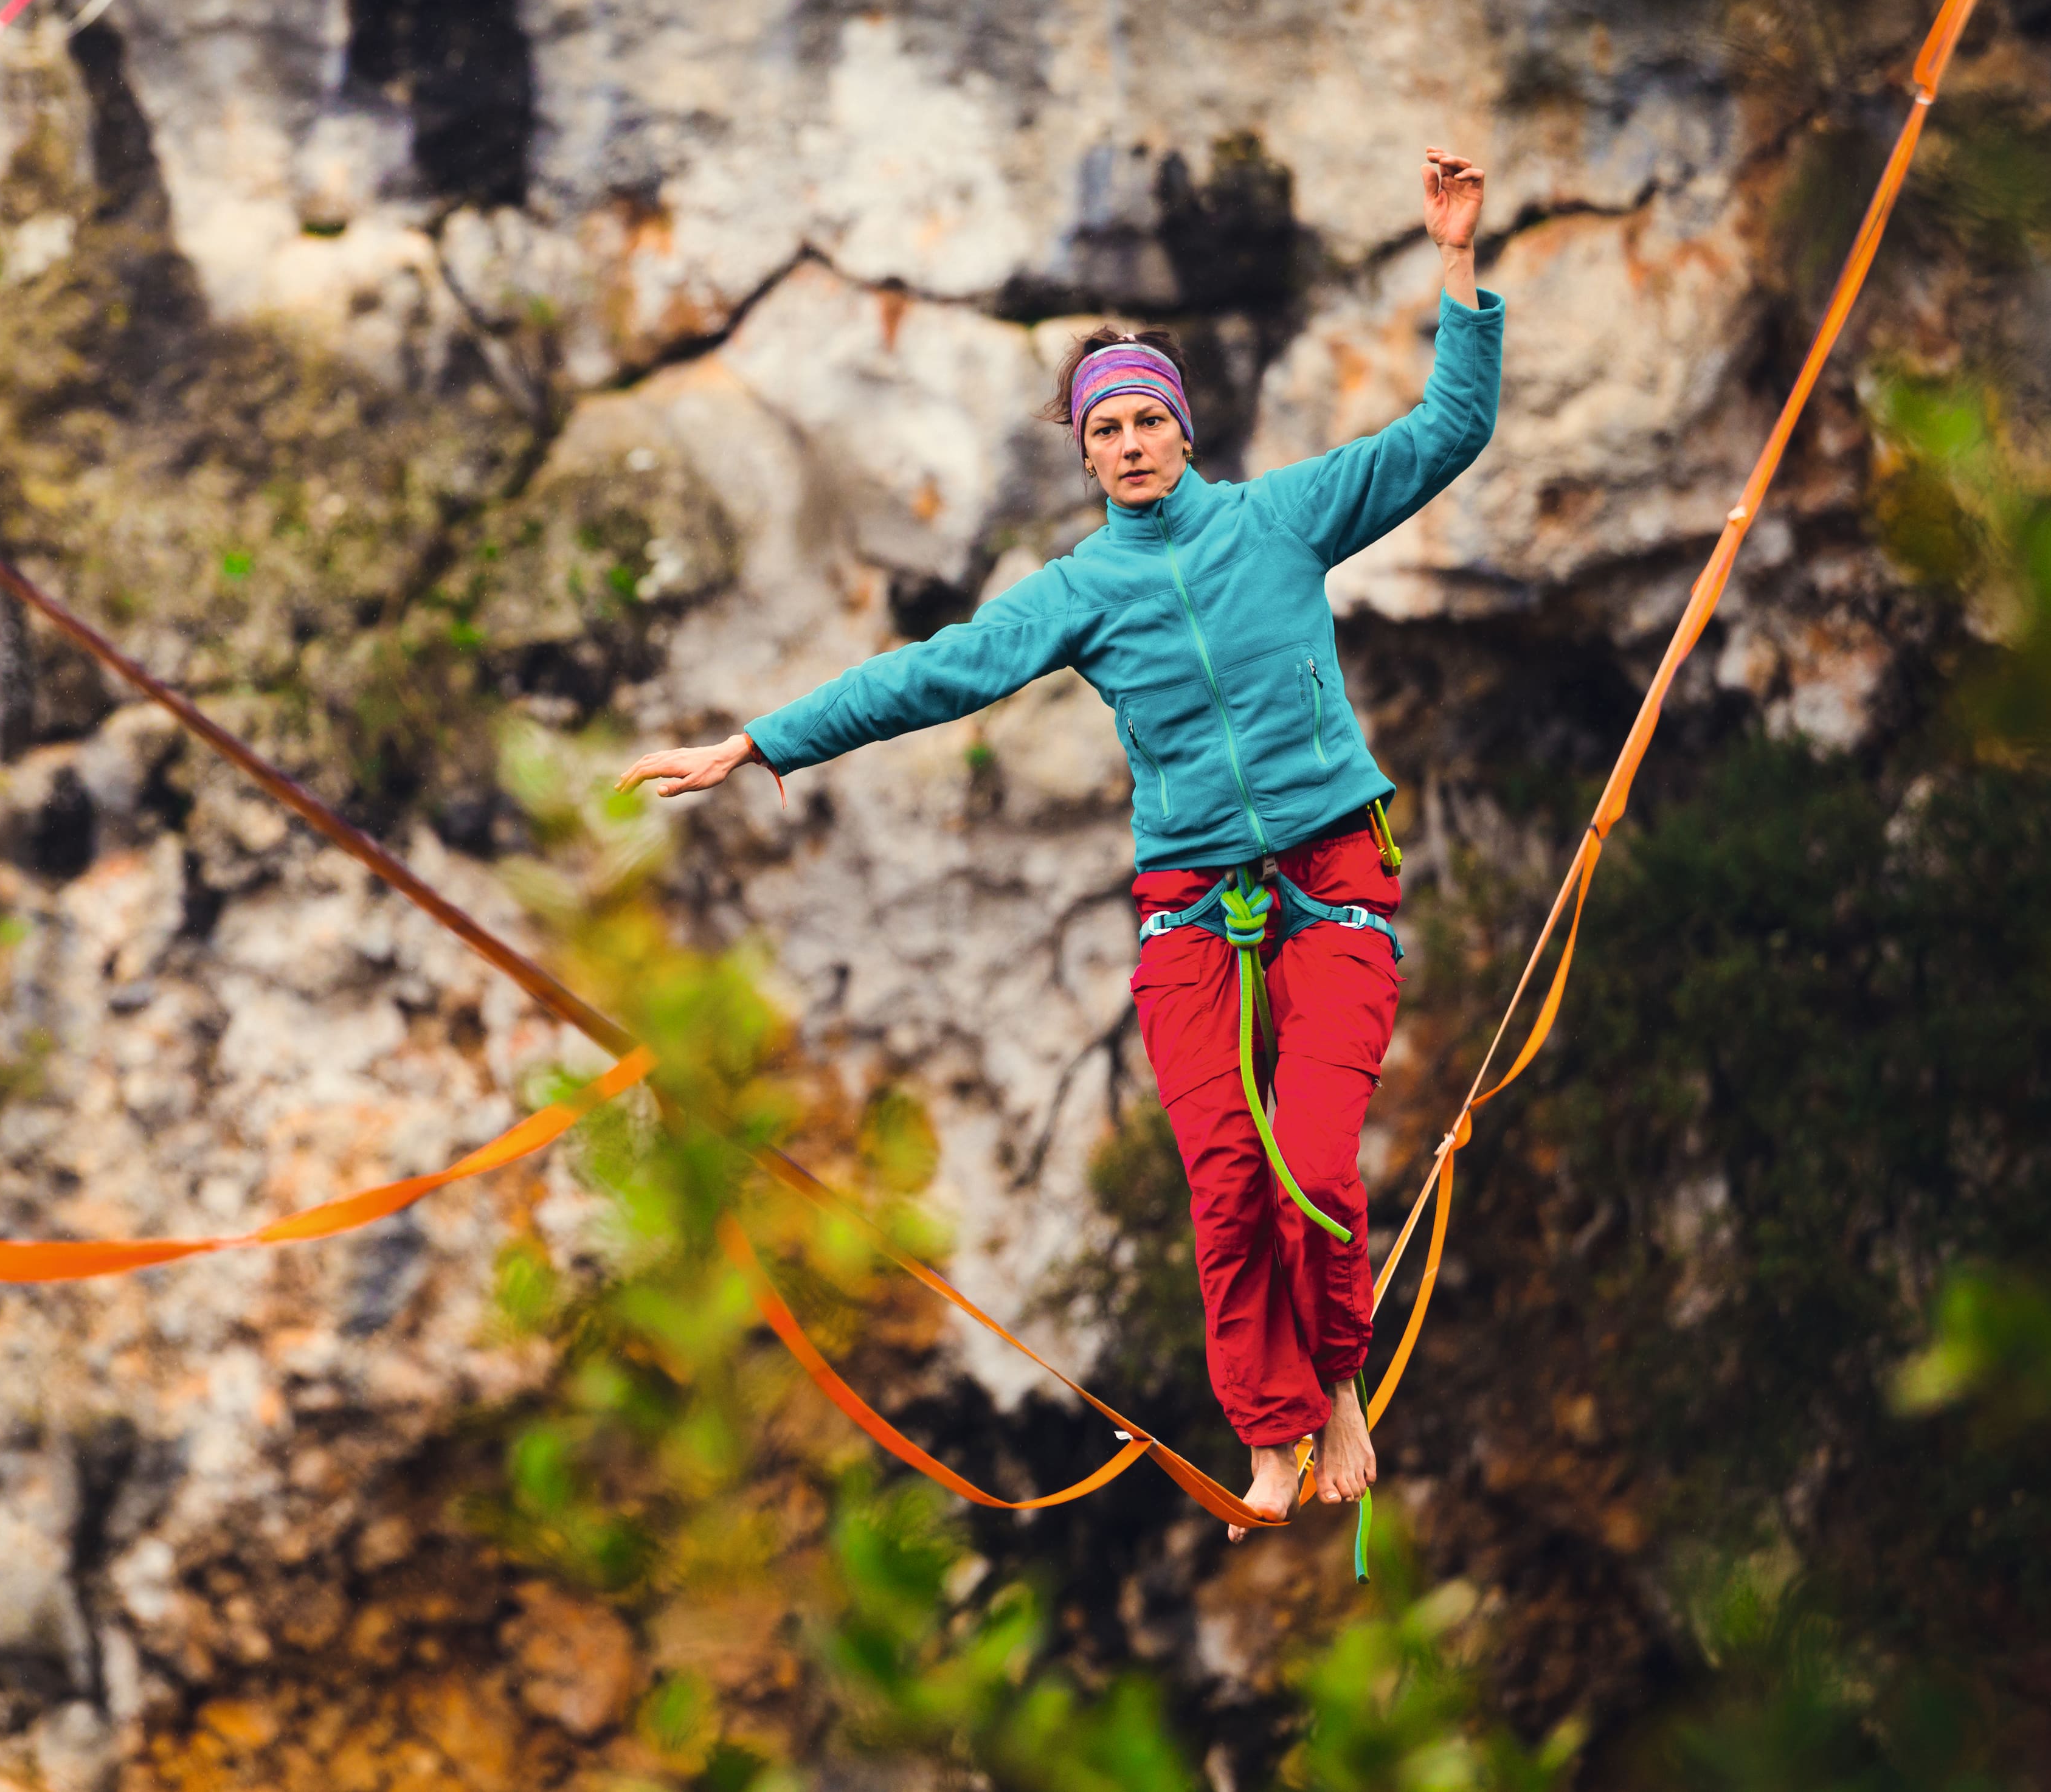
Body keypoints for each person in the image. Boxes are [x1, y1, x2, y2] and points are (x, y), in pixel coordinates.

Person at [618, 149, 1499, 1538]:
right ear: (1085, 456)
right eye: (1107, 429)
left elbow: (1448, 428)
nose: (1132, 442)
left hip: (1332, 879)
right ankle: (1268, 1431)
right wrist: (760, 741)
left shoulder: (1282, 518)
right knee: (1226, 1181)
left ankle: (1337, 1382)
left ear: (1185, 433)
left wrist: (1455, 260)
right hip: (1191, 908)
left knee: (1317, 1164)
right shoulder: (1079, 590)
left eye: (1150, 419)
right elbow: (934, 671)